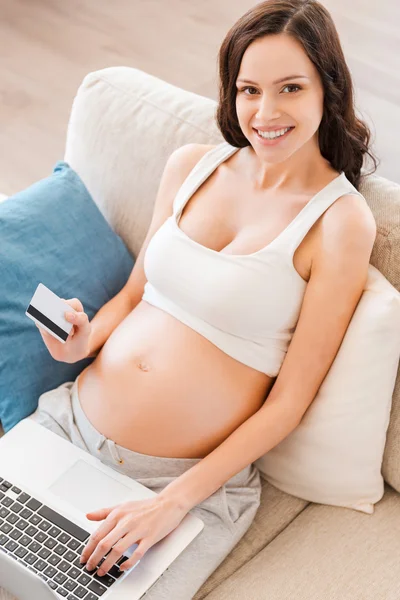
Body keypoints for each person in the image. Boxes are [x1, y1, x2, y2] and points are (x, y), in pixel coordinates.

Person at [28, 0, 378, 598]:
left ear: (330, 88)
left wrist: (169, 504)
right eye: (249, 90)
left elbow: (289, 402)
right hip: (67, 426)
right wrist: (85, 340)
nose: (265, 113)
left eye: (290, 88)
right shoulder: (191, 165)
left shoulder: (340, 223)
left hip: (179, 484)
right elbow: (138, 293)